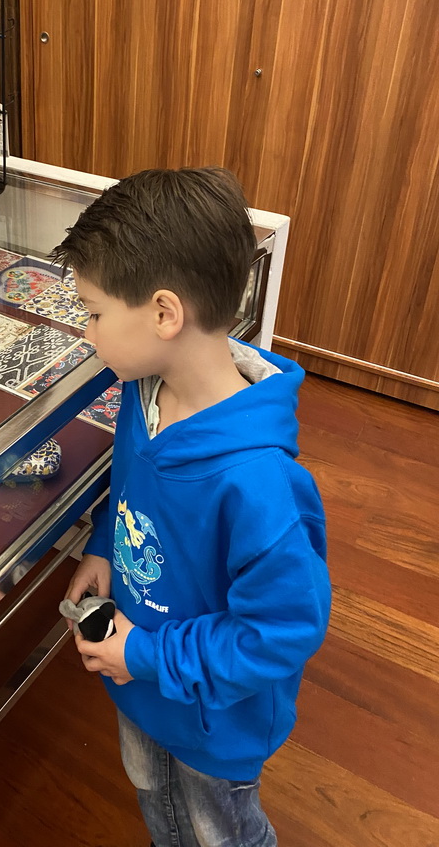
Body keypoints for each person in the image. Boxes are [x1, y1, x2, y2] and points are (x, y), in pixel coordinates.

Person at [52, 168, 331, 847]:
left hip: (213, 720)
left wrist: (147, 654)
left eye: (93, 313)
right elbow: (133, 488)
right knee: (158, 802)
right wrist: (100, 548)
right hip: (139, 682)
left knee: (221, 834)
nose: (87, 331)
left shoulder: (261, 485)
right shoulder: (143, 393)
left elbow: (282, 631)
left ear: (164, 314)